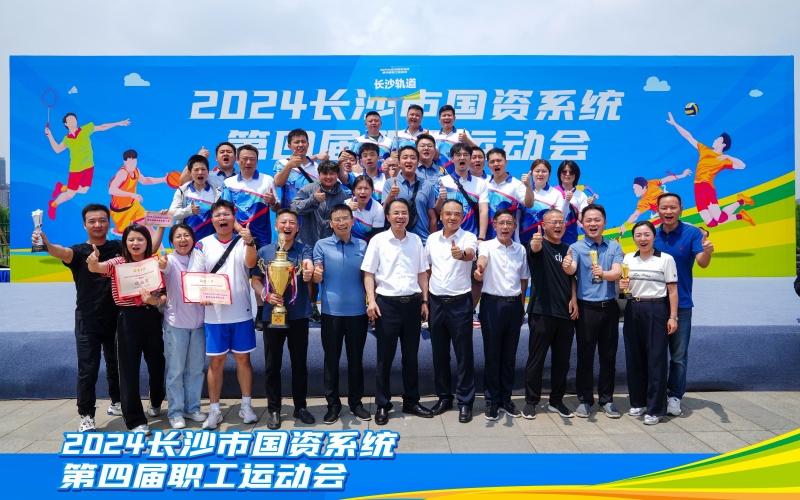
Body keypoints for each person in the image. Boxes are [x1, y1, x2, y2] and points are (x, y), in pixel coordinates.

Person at [31, 204, 123, 432]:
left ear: (109, 223)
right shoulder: (79, 251)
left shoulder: (119, 248)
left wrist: (160, 226)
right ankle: (87, 415)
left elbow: (146, 248)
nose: (98, 224)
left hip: (117, 316)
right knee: (88, 369)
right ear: (85, 225)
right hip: (88, 319)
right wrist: (46, 244)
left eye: (102, 220)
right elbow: (60, 251)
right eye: (92, 221)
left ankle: (117, 402)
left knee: (116, 363)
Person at [87, 223, 166, 435]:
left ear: (147, 242)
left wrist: (155, 300)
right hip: (128, 319)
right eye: (131, 239)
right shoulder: (118, 263)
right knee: (128, 370)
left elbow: (163, 294)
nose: (135, 243)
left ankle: (156, 400)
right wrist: (93, 262)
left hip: (151, 316)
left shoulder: (154, 262)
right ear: (125, 243)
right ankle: (135, 420)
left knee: (157, 363)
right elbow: (97, 268)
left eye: (140, 239)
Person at [362, 198, 433, 425]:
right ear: (388, 217)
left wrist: (425, 301)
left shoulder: (416, 241)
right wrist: (371, 301)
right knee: (385, 358)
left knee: (411, 357)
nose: (400, 216)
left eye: (404, 213)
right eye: (396, 213)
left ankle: (411, 401)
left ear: (409, 217)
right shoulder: (378, 241)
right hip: (387, 306)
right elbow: (369, 273)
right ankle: (383, 404)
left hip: (412, 304)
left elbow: (422, 273)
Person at [188, 200, 259, 429]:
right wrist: (202, 295)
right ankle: (215, 410)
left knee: (243, 360)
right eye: (218, 215)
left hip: (241, 313)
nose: (222, 218)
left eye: (226, 214)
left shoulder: (244, 241)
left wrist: (250, 241)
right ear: (212, 219)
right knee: (216, 362)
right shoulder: (202, 245)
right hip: (214, 316)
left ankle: (246, 406)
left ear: (233, 218)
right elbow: (195, 277)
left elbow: (251, 263)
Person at [252, 209, 315, 429]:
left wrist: (308, 272)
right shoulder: (264, 251)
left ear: (297, 227)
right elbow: (256, 280)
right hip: (272, 315)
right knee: (272, 365)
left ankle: (300, 407)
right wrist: (265, 295)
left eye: (292, 223)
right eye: (283, 222)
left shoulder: (304, 249)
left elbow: (309, 265)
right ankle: (274, 410)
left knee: (300, 364)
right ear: (276, 225)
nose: (287, 226)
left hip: (298, 315)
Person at [652, 192, 714, 417]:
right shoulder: (651, 233)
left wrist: (707, 252)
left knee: (678, 356)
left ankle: (674, 396)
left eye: (673, 207)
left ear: (681, 209)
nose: (668, 211)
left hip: (682, 304)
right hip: (654, 303)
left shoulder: (692, 233)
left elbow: (702, 263)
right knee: (654, 354)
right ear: (657, 210)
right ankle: (654, 395)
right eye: (664, 207)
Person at [561, 204, 623, 419]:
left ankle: (607, 400)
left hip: (609, 308)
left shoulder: (614, 246)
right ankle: (585, 400)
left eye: (597, 219)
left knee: (608, 356)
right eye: (588, 220)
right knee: (585, 357)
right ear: (582, 224)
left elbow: (617, 272)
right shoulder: (576, 247)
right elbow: (571, 269)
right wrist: (567, 264)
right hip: (586, 309)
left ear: (604, 222)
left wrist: (603, 273)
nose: (593, 223)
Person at [313, 204, 371, 424]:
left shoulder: (363, 245)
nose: (341, 222)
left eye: (345, 218)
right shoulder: (322, 245)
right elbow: (317, 276)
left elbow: (368, 276)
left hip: (358, 312)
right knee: (331, 360)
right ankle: (333, 405)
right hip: (331, 313)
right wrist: (317, 275)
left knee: (356, 360)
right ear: (331, 224)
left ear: (352, 220)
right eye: (336, 219)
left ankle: (356, 403)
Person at [618, 221, 679, 425]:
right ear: (633, 238)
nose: (642, 239)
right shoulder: (628, 258)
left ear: (654, 237)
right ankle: (638, 402)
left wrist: (673, 316)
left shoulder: (666, 259)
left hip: (656, 309)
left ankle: (655, 409)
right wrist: (623, 286)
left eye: (646, 235)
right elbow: (625, 290)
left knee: (656, 359)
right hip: (633, 307)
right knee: (634, 357)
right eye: (638, 235)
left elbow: (672, 290)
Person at [474, 209, 529, 420]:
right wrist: (480, 269)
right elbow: (482, 260)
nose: (505, 227)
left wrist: (522, 306)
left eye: (509, 223)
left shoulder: (520, 250)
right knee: (492, 355)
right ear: (494, 225)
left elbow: (523, 278)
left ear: (515, 226)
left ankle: (506, 398)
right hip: (492, 305)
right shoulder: (486, 246)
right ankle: (492, 400)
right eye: (501, 223)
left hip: (514, 306)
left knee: (509, 356)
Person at [426, 199, 478, 423]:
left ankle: (465, 402)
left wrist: (461, 254)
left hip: (460, 303)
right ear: (441, 215)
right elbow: (427, 269)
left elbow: (470, 253)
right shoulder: (431, 239)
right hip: (436, 303)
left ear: (462, 217)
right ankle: (444, 397)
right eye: (448, 213)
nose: (452, 217)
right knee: (440, 354)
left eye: (457, 214)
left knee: (464, 355)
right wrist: (426, 301)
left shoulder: (469, 237)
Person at [522, 209, 578, 419]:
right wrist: (535, 243)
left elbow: (573, 278)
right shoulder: (537, 245)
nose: (558, 225)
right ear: (543, 225)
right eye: (553, 222)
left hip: (565, 314)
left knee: (562, 361)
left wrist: (574, 298)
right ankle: (531, 402)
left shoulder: (567, 249)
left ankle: (556, 401)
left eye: (561, 222)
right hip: (541, 312)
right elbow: (534, 249)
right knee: (536, 360)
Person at [222, 144, 280, 329]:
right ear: (237, 160)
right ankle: (237, 312)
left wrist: (273, 202)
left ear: (257, 161)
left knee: (259, 277)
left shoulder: (267, 180)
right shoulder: (229, 183)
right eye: (244, 159)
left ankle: (261, 314)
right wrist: (241, 231)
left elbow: (277, 208)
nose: (248, 162)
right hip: (237, 237)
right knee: (237, 275)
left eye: (252, 159)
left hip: (262, 238)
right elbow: (226, 212)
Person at [666, 112, 755, 228]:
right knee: (711, 223)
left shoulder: (723, 159)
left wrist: (728, 157)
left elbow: (742, 165)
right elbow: (688, 136)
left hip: (707, 186)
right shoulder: (704, 149)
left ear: (723, 144)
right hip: (697, 187)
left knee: (720, 218)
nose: (715, 139)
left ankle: (741, 201)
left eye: (718, 139)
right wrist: (675, 124)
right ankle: (741, 215)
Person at [157, 224, 207, 429]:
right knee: (176, 370)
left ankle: (192, 408)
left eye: (187, 235)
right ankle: (175, 411)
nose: (183, 239)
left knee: (196, 369)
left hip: (199, 324)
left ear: (193, 239)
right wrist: (162, 264)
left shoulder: (200, 259)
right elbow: (163, 268)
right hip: (176, 323)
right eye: (178, 236)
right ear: (172, 241)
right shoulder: (169, 260)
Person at [291, 160, 351, 323]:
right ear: (319, 175)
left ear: (337, 174)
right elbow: (294, 208)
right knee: (309, 276)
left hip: (332, 245)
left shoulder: (343, 194)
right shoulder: (308, 189)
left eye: (332, 173)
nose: (329, 176)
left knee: (329, 277)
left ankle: (331, 309)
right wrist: (314, 199)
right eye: (325, 173)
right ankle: (309, 308)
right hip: (308, 241)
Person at [45, 113, 130, 219]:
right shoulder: (67, 139)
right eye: (70, 120)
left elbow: (102, 127)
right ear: (66, 124)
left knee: (84, 190)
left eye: (74, 119)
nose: (73, 121)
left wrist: (117, 123)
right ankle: (53, 204)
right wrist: (50, 136)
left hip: (89, 166)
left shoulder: (85, 129)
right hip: (76, 169)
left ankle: (62, 187)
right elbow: (57, 149)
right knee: (70, 195)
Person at [382, 145, 439, 245]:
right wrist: (391, 196)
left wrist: (432, 242)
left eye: (413, 158)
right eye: (405, 157)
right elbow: (384, 212)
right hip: (396, 241)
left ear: (418, 163)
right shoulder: (390, 183)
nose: (409, 161)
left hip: (422, 241)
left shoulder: (427, 185)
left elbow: (432, 217)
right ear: (399, 163)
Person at [273, 128, 340, 209]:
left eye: (303, 141)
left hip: (313, 214)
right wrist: (289, 166)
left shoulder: (317, 167)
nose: (301, 144)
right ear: (289, 146)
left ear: (308, 144)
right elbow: (278, 183)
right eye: (296, 142)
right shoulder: (282, 163)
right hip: (290, 213)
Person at [108, 149, 169, 236]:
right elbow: (112, 190)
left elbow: (145, 180)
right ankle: (111, 234)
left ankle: (160, 246)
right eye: (130, 161)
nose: (132, 163)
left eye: (134, 161)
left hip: (133, 206)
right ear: (125, 162)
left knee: (148, 228)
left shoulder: (136, 171)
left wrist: (163, 179)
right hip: (120, 211)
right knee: (122, 234)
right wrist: (131, 195)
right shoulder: (122, 173)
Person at [437, 143, 489, 241]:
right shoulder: (442, 181)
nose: (462, 158)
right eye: (458, 155)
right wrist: (440, 199)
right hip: (446, 236)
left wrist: (481, 237)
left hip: (470, 236)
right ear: (452, 158)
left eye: (465, 155)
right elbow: (437, 211)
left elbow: (483, 211)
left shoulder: (480, 183)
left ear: (470, 158)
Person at [619, 169, 692, 237]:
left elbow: (666, 179)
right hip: (669, 212)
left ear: (644, 187)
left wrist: (682, 175)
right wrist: (625, 225)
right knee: (654, 229)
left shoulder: (647, 193)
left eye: (637, 189)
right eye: (634, 189)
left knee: (653, 229)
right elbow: (635, 215)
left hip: (670, 209)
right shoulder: (645, 195)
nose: (635, 191)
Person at [170, 154, 223, 241]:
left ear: (208, 171)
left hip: (211, 242)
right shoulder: (182, 191)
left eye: (203, 169)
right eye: (196, 170)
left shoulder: (217, 193)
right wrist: (189, 211)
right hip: (187, 242)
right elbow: (172, 214)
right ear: (189, 172)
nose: (200, 172)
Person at [519, 159, 570, 244]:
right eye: (537, 171)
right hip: (523, 240)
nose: (540, 174)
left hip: (547, 241)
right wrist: (517, 239)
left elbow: (561, 216)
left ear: (549, 174)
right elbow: (517, 217)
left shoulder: (556, 193)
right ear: (531, 173)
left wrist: (567, 201)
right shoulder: (522, 189)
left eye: (544, 171)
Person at [554, 160, 597, 245]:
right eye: (564, 172)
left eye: (571, 172)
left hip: (570, 238)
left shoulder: (581, 195)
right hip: (552, 237)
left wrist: (590, 206)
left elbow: (581, 219)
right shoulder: (552, 192)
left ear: (576, 175)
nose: (567, 174)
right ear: (559, 174)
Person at [431, 105, 477, 172]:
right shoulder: (434, 136)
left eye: (449, 115)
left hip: (459, 173)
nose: (446, 117)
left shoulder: (462, 133)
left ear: (454, 118)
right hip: (438, 172)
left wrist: (467, 140)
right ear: (439, 119)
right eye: (444, 115)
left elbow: (476, 150)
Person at [347, 175, 385, 242]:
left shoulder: (378, 209)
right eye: (359, 188)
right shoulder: (346, 204)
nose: (363, 192)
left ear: (372, 190)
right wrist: (347, 211)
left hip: (368, 245)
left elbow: (376, 237)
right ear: (354, 190)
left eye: (366, 188)